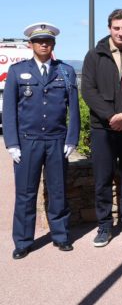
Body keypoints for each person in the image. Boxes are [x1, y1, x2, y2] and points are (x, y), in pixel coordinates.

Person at [3, 22, 79, 259]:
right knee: (25, 193)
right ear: (31, 44)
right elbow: (9, 111)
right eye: (39, 41)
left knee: (58, 191)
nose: (43, 44)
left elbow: (73, 109)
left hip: (56, 141)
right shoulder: (17, 71)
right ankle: (23, 241)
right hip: (28, 141)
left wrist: (71, 139)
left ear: (53, 44)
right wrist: (12, 144)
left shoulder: (65, 71)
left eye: (47, 41)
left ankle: (61, 236)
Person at [81, 9, 122, 247]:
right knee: (102, 179)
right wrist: (111, 117)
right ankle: (104, 225)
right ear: (109, 28)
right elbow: (88, 90)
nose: (120, 33)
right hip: (102, 129)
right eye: (116, 28)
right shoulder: (94, 55)